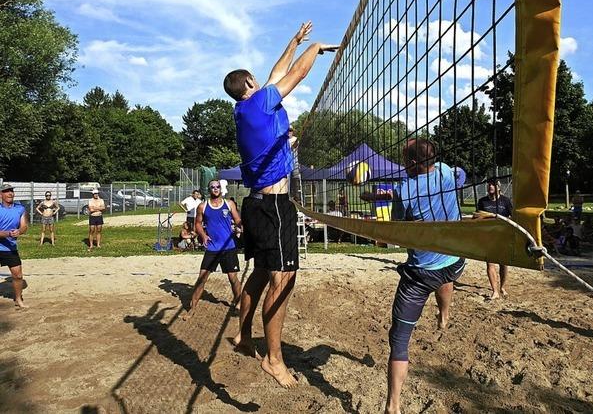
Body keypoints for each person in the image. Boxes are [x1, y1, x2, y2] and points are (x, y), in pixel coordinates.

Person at [223, 21, 338, 388]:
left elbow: (276, 73)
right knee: (283, 279)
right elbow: (297, 73)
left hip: (257, 204)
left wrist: (293, 41)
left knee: (258, 273)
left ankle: (243, 337)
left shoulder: (243, 109)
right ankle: (274, 360)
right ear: (251, 86)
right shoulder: (261, 102)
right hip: (274, 206)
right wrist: (314, 48)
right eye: (259, 80)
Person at [361, 139, 465, 414]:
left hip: (420, 275)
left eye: (404, 159)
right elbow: (460, 174)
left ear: (412, 163)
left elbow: (398, 229)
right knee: (446, 275)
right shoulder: (447, 172)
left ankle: (393, 406)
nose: (401, 163)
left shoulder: (405, 190)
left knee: (399, 338)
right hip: (456, 260)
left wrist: (384, 198)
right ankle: (444, 315)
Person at [184, 180, 242, 319]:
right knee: (201, 278)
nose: (215, 189)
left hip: (228, 247)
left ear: (221, 189)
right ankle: (192, 308)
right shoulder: (203, 207)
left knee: (233, 278)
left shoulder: (229, 204)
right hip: (212, 248)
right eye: (212, 187)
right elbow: (197, 224)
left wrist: (242, 226)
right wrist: (203, 235)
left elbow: (238, 220)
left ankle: (239, 303)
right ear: (209, 190)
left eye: (217, 187)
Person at [476, 178, 513, 300]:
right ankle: (495, 291)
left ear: (499, 187)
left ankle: (502, 287)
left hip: (503, 236)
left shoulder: (506, 201)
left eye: (493, 184)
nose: (490, 186)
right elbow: (477, 217)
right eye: (489, 184)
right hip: (489, 237)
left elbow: (513, 218)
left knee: (503, 264)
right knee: (490, 263)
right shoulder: (482, 202)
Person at [0, 183, 29, 308]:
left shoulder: (20, 208)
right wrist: (7, 233)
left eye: (11, 191)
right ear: (1, 194)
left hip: (9, 248)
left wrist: (19, 231)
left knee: (18, 275)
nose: (10, 193)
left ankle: (18, 299)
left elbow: (24, 226)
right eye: (6, 191)